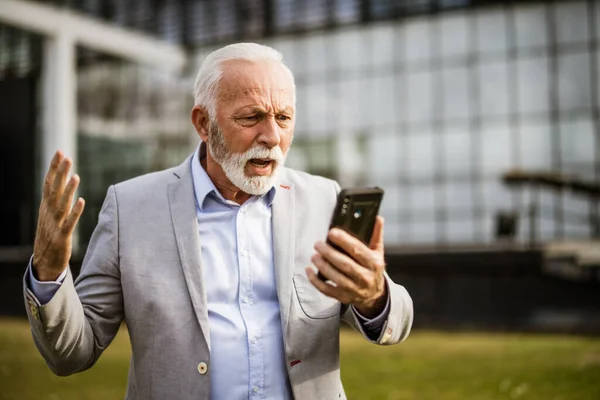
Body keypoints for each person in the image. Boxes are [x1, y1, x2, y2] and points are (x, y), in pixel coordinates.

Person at [24, 43, 413, 400]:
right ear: (203, 123)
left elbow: (396, 322)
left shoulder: (323, 199)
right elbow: (72, 353)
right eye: (252, 117)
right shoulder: (130, 208)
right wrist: (49, 270)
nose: (272, 136)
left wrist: (373, 294)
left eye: (284, 117)